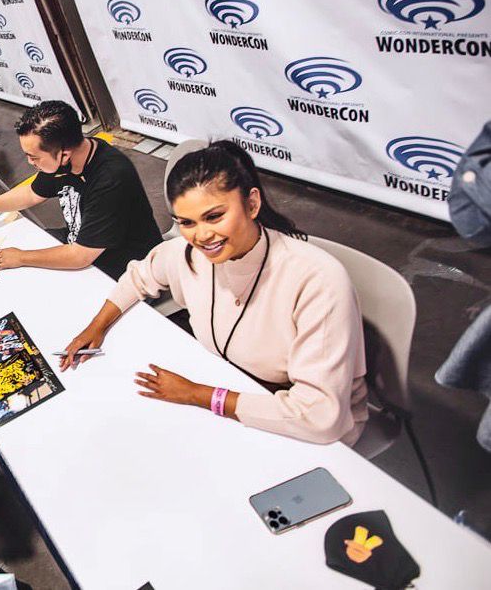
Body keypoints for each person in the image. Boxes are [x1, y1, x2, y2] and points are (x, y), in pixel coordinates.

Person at [63, 141, 368, 445]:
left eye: (214, 217)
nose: (202, 236)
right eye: (186, 222)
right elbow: (139, 276)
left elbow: (318, 417)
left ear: (252, 204)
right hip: (233, 385)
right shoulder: (185, 252)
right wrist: (97, 326)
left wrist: (195, 394)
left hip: (302, 423)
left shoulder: (316, 280)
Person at [0, 101, 163, 279]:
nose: (30, 162)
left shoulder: (111, 178)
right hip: (81, 244)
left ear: (64, 154)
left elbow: (80, 256)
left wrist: (21, 257)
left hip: (128, 268)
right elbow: (32, 193)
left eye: (34, 157)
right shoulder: (66, 158)